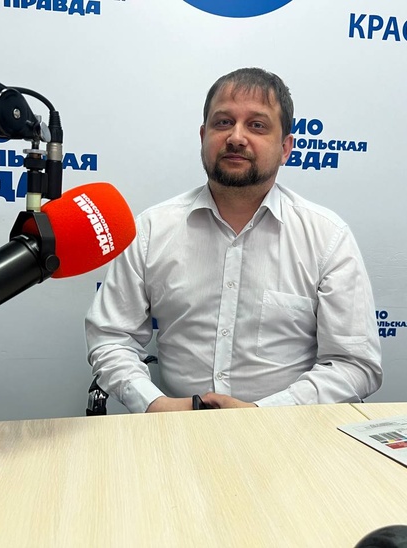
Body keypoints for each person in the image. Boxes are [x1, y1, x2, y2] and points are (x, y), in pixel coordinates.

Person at [85, 67, 382, 413]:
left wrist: (262, 414)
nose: (236, 137)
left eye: (257, 125)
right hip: (174, 427)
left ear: (285, 148)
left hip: (284, 432)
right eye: (223, 122)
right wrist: (153, 404)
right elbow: (112, 336)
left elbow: (354, 364)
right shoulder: (152, 229)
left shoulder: (326, 237)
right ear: (203, 136)